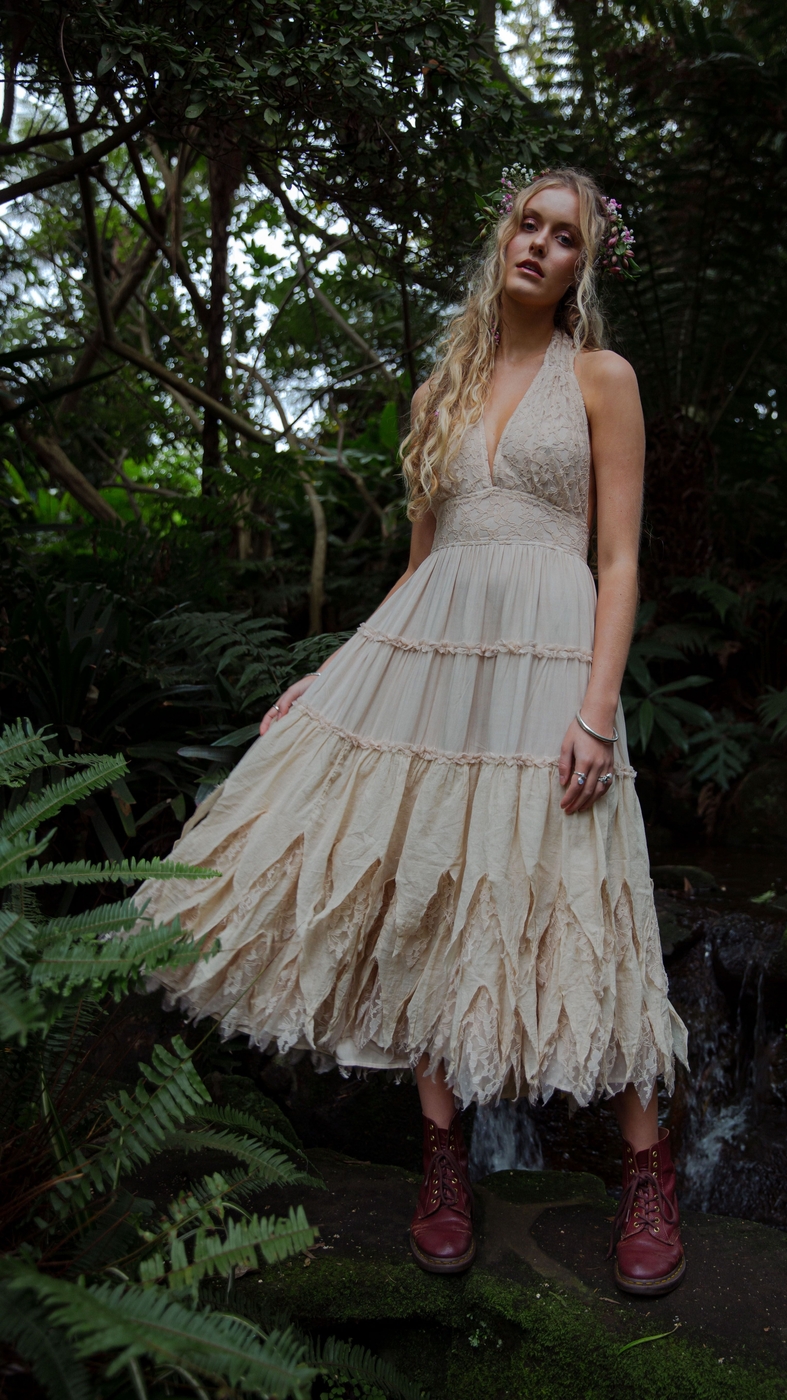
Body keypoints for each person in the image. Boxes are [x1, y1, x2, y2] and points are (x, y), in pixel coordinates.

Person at [136, 166, 688, 1297]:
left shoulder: (602, 376)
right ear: (502, 236)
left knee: (585, 886)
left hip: (548, 661)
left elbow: (621, 558)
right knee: (433, 881)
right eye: (527, 224)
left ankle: (647, 1170)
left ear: (583, 267)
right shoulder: (440, 389)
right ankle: (443, 1164)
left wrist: (596, 711)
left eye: (565, 237)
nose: (538, 245)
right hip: (435, 663)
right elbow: (418, 568)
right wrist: (331, 675)